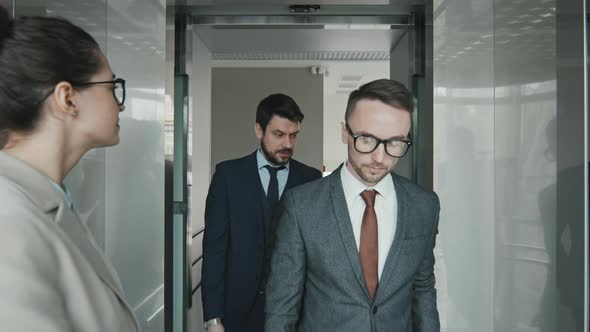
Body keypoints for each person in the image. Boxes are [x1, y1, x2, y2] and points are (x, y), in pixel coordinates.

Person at [0, 7, 138, 332]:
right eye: (110, 86)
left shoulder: (50, 202)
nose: (121, 104)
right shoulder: (10, 222)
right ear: (68, 98)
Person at [265, 79, 441, 331]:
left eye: (395, 142)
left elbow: (423, 289)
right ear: (345, 132)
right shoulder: (301, 205)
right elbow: (282, 309)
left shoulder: (424, 205)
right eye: (367, 139)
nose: (380, 158)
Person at [201, 93, 322, 332]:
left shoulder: (311, 180)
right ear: (259, 130)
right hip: (237, 312)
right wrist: (213, 319)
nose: (287, 144)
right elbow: (215, 249)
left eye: (293, 135)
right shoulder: (228, 176)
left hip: (294, 313)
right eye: (279, 135)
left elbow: (316, 255)